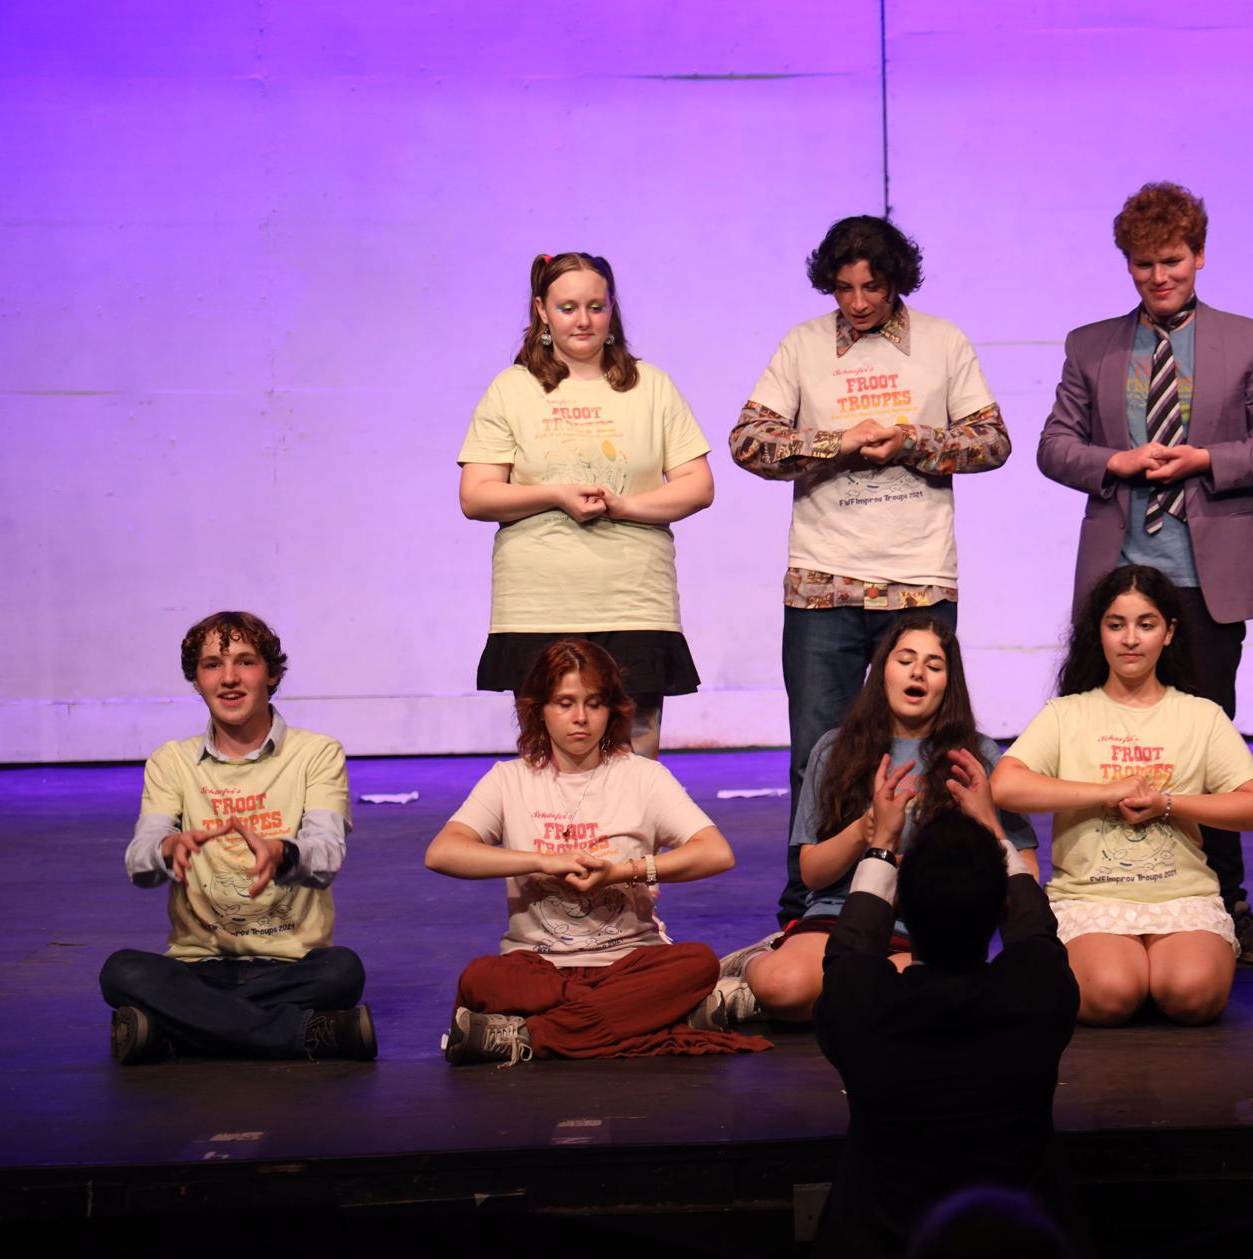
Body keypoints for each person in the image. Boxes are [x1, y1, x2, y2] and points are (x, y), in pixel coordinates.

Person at [1037, 180, 1253, 966]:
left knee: (1208, 740)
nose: (1159, 277)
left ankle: (1227, 901)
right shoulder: (1091, 345)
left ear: (1200, 256)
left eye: (1173, 261)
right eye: (1144, 264)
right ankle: (1105, 889)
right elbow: (1054, 446)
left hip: (1205, 575)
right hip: (1120, 577)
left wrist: (1206, 459)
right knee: (1106, 739)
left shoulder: (1247, 340)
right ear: (1127, 264)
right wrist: (1115, 461)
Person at [729, 215, 1011, 925]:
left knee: (929, 748)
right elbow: (748, 443)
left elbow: (993, 441)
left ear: (897, 282)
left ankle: (927, 896)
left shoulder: (942, 342)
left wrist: (910, 440)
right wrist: (838, 442)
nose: (857, 302)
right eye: (844, 288)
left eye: (872, 288)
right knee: (817, 752)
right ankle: (810, 904)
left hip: (917, 580)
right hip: (822, 579)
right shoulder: (803, 345)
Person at [425, 640, 770, 1063]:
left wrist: (623, 871)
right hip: (539, 966)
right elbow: (443, 852)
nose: (580, 718)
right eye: (564, 703)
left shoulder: (643, 777)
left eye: (594, 703)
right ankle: (649, 1018)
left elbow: (716, 853)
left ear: (611, 709)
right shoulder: (508, 779)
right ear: (539, 709)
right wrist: (542, 861)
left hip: (630, 962)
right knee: (481, 977)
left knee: (696, 963)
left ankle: (527, 1035)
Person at [992, 565, 1253, 1026]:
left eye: (1146, 625)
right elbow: (1005, 785)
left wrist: (1168, 803)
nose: (1130, 639)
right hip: (1091, 897)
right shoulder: (1067, 713)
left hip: (1182, 895)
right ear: (1098, 632)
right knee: (1111, 994)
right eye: (1116, 625)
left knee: (1192, 994)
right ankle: (1130, 969)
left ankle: (1157, 970)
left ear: (1169, 633)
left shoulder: (1200, 715)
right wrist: (1105, 792)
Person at [719, 615, 1038, 1023]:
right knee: (783, 987)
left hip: (930, 929)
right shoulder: (835, 749)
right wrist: (866, 830)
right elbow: (812, 874)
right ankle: (756, 963)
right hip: (841, 914)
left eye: (934, 665)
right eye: (905, 660)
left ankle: (827, 995)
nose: (917, 672)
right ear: (883, 669)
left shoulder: (976, 757)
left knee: (920, 1002)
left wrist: (945, 867)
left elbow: (1027, 872)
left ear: (949, 682)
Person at [459, 252, 714, 758]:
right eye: (568, 307)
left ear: (611, 309)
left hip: (634, 602)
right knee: (547, 763)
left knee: (633, 760)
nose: (583, 320)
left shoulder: (651, 386)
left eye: (596, 307)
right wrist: (555, 494)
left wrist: (623, 507)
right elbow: (476, 494)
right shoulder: (512, 389)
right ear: (542, 310)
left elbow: (697, 484)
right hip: (538, 605)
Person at [812, 805, 1080, 1259]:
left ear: (901, 909)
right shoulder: (1037, 993)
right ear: (1000, 909)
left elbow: (850, 947)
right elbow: (1035, 930)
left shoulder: (861, 1005)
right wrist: (997, 833)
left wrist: (882, 847)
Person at [98, 612, 373, 1064]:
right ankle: (305, 1033)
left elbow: (326, 855)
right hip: (197, 968)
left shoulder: (316, 753)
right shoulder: (171, 761)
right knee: (121, 971)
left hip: (291, 968)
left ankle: (174, 1031)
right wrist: (166, 849)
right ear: (197, 680)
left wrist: (282, 854)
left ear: (271, 674)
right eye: (212, 665)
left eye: (245, 662)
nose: (228, 678)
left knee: (343, 971)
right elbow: (140, 861)